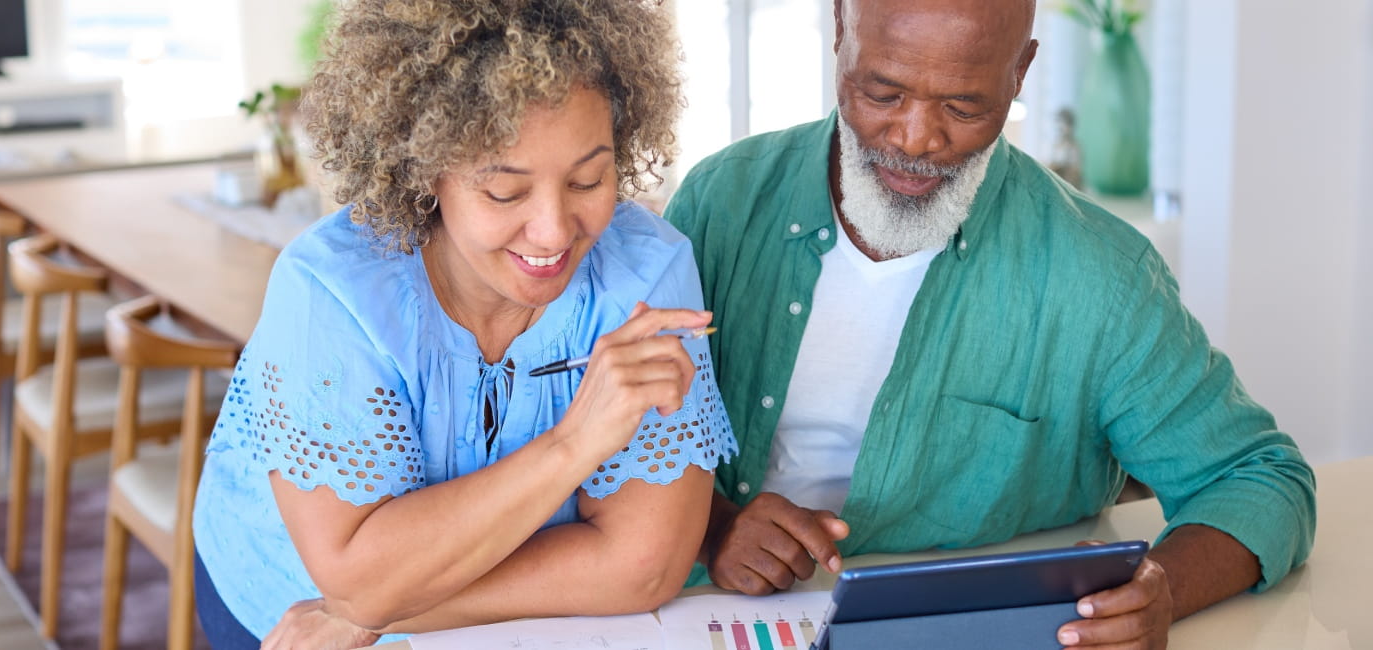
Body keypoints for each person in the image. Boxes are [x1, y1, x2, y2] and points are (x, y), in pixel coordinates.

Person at [664, 0, 1316, 647]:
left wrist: (1163, 589)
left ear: (1021, 70)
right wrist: (716, 525)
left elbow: (1262, 479)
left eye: (963, 107)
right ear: (840, 29)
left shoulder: (1101, 274)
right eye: (883, 92)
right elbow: (620, 430)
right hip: (716, 616)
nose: (916, 139)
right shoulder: (721, 202)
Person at [190, 2, 738, 648]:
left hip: (404, 619)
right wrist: (576, 442)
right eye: (505, 192)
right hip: (287, 614)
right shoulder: (331, 293)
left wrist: (380, 606)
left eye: (589, 179)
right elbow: (354, 572)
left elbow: (644, 567)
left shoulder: (647, 273)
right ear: (426, 168)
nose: (555, 231)